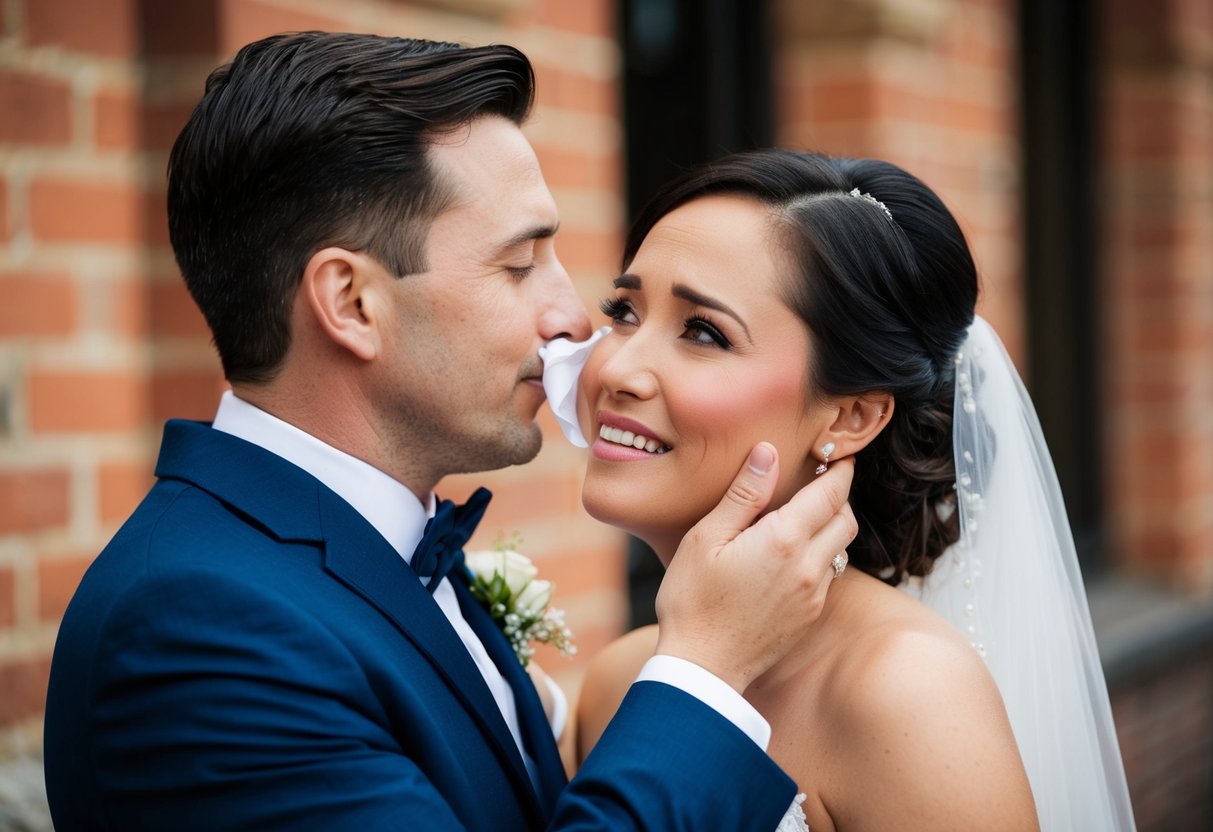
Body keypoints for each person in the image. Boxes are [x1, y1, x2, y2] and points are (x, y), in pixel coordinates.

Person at [41, 34, 859, 831]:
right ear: (353, 303)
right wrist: (705, 667)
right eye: (519, 263)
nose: (571, 318)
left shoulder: (375, 552)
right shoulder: (198, 629)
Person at [568, 149, 1136, 830]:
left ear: (850, 417)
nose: (616, 368)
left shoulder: (907, 695)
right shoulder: (623, 680)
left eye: (702, 332)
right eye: (624, 312)